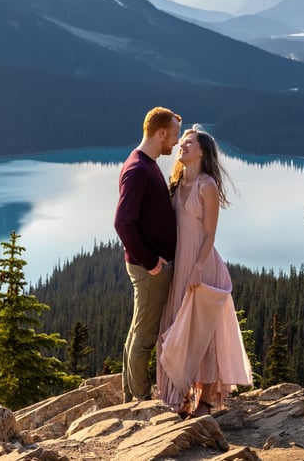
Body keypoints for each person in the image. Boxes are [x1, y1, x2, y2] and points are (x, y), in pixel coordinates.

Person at [157, 124, 252, 418]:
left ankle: (206, 402)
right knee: (177, 330)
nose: (182, 145)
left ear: (203, 152)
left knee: (205, 335)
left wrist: (198, 267)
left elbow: (210, 234)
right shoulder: (177, 182)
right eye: (182, 141)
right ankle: (180, 395)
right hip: (180, 263)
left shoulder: (206, 185)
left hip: (201, 265)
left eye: (189, 142)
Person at [114, 106, 182, 403]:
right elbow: (122, 222)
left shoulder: (146, 162)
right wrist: (151, 262)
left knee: (137, 331)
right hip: (149, 268)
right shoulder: (139, 169)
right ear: (161, 132)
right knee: (144, 337)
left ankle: (132, 395)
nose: (177, 143)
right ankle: (140, 402)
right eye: (175, 136)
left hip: (147, 265)